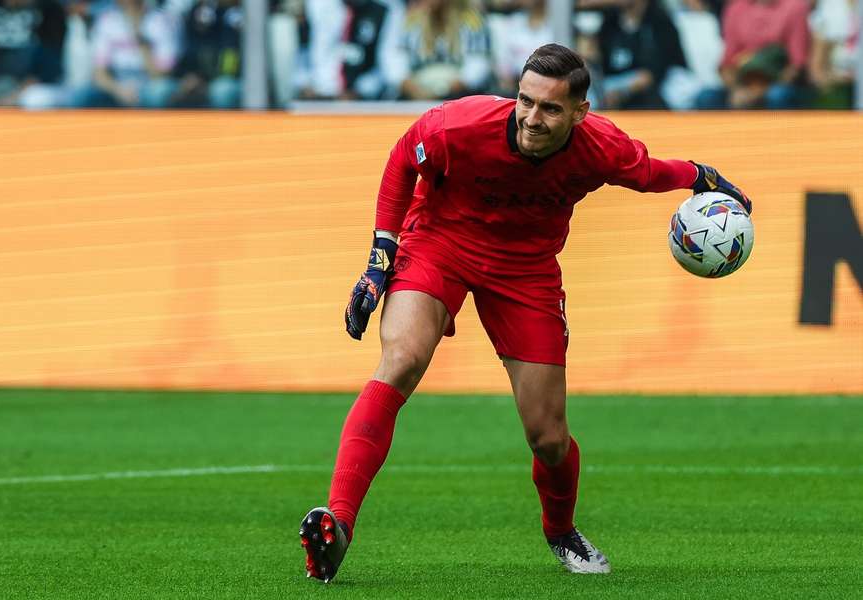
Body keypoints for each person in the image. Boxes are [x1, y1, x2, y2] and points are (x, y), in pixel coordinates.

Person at [298, 43, 752, 583]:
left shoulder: (600, 146)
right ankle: (338, 525)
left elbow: (649, 170)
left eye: (550, 109)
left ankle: (561, 531)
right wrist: (379, 261)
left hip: (525, 272)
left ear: (580, 113)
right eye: (525, 101)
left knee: (548, 437)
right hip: (439, 246)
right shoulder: (459, 125)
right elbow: (403, 158)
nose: (532, 119)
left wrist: (703, 176)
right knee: (401, 360)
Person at [695, 0, 811, 109]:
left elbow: (797, 65)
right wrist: (737, 89)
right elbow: (727, 62)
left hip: (779, 83)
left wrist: (759, 91)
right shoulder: (736, 7)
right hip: (742, 83)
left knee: (778, 95)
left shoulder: (795, 7)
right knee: (706, 97)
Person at [69, 0, 181, 109]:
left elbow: (161, 76)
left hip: (148, 85)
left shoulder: (161, 21)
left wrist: (139, 37)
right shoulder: (108, 21)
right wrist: (118, 90)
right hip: (116, 84)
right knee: (80, 95)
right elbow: (99, 74)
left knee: (160, 92)